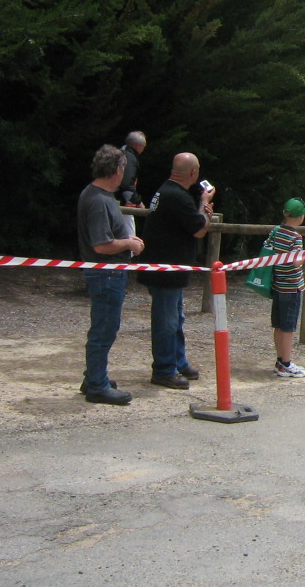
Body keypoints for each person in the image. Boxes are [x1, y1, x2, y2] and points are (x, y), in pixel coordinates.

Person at [137, 152, 216, 389]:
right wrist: (204, 203)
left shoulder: (167, 191)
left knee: (176, 318)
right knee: (166, 321)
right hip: (165, 271)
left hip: (168, 268)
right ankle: (163, 369)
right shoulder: (177, 197)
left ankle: (177, 361)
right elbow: (199, 229)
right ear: (193, 172)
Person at [77, 144, 145, 405]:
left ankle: (94, 377)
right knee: (104, 329)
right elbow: (101, 245)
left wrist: (127, 241)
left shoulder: (99, 196)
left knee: (104, 326)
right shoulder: (98, 200)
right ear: (117, 170)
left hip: (107, 273)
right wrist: (128, 244)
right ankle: (96, 385)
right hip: (106, 273)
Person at [270, 198, 305, 378]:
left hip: (277, 283)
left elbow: (268, 249)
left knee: (278, 324)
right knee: (288, 327)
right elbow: (296, 262)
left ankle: (280, 360)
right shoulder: (296, 237)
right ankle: (285, 363)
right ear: (300, 217)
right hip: (291, 286)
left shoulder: (276, 231)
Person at [118, 131, 147, 235]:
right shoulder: (130, 158)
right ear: (138, 146)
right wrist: (138, 202)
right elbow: (127, 184)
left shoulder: (119, 153)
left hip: (111, 200)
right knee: (129, 236)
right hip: (123, 203)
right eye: (143, 146)